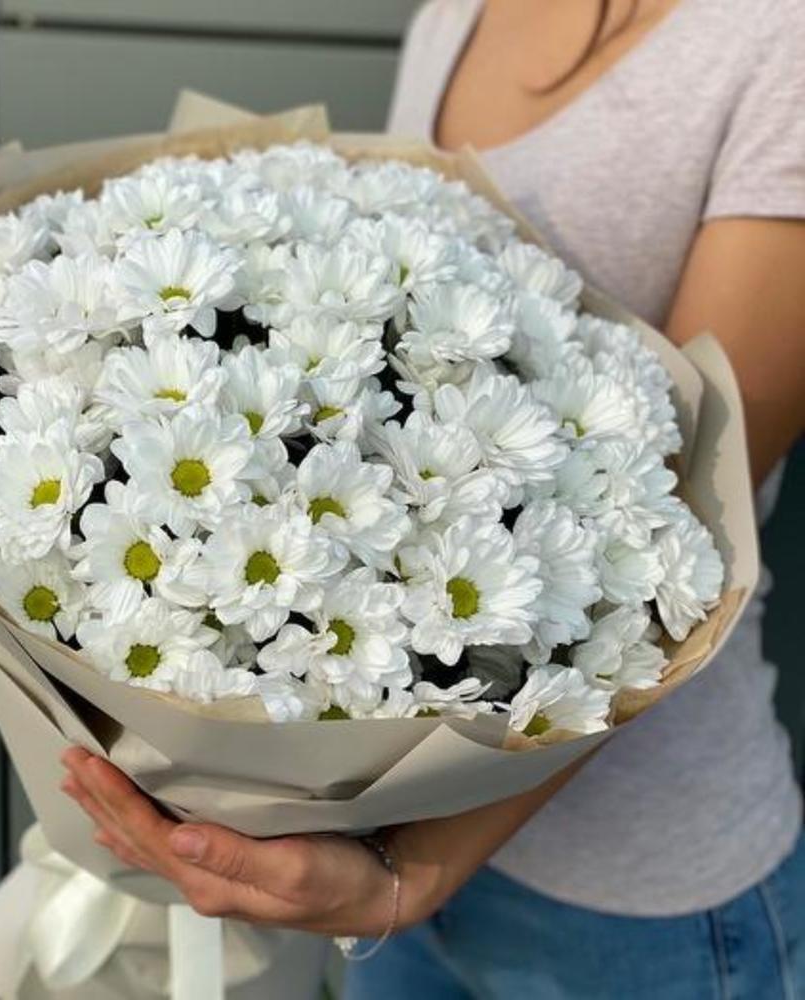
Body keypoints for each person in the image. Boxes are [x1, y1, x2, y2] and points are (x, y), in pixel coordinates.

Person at [61, 1, 805, 995]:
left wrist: (416, 869)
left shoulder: (779, 42)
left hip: (634, 903)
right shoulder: (456, 14)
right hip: (382, 863)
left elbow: (690, 524)